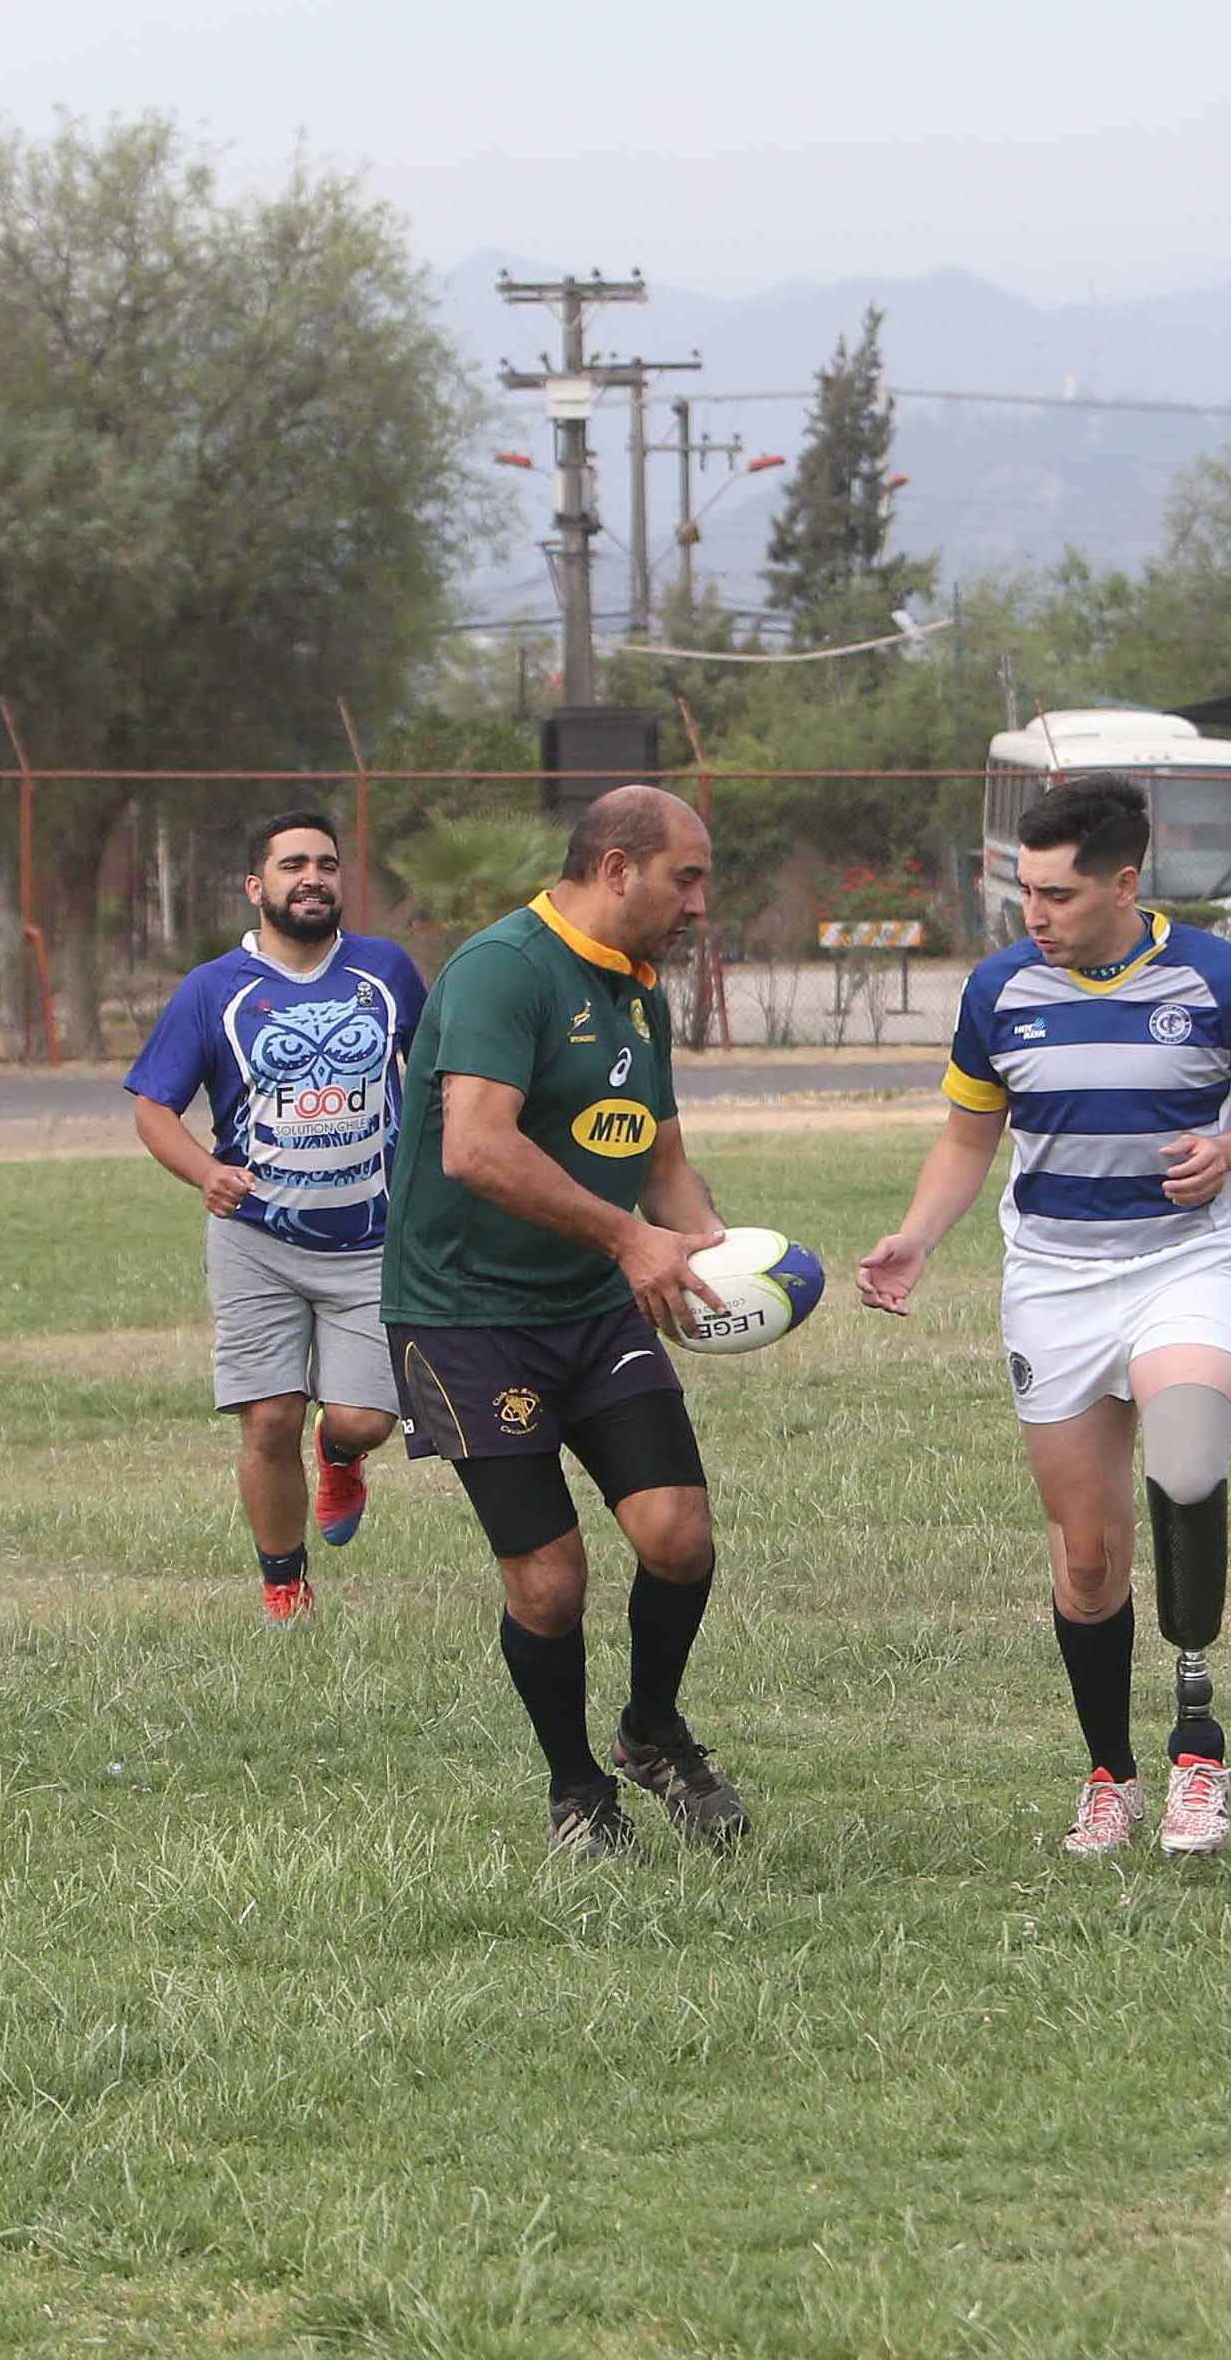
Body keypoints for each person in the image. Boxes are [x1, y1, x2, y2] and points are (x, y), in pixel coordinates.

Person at [858, 775, 1231, 1859]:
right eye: (1026, 891)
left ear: (1125, 883)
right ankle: (1109, 1775)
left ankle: (1197, 1753)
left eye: (1060, 895)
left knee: (1190, 1458)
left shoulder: (1218, 978)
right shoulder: (999, 989)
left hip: (1187, 1266)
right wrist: (919, 1236)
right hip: (1055, 1285)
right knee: (1086, 1562)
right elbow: (970, 1137)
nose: (1037, 915)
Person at [381, 786, 747, 1858]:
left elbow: (664, 1164)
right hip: (466, 1316)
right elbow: (477, 1150)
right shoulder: (505, 970)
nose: (699, 902)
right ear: (621, 867)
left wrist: (718, 1256)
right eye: (688, 877)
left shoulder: (640, 995)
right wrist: (630, 1244)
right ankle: (575, 1786)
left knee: (678, 1538)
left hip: (591, 1307)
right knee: (548, 1581)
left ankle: (651, 1729)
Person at [129, 809, 426, 1624]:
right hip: (255, 1239)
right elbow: (154, 1107)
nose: (314, 878)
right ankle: (283, 1586)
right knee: (269, 1417)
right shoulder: (213, 989)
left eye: (327, 864)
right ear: (258, 887)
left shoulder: (386, 972)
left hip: (372, 1239)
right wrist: (205, 1172)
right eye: (294, 865)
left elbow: (439, 1075)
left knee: (363, 1419)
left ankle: (340, 1458)